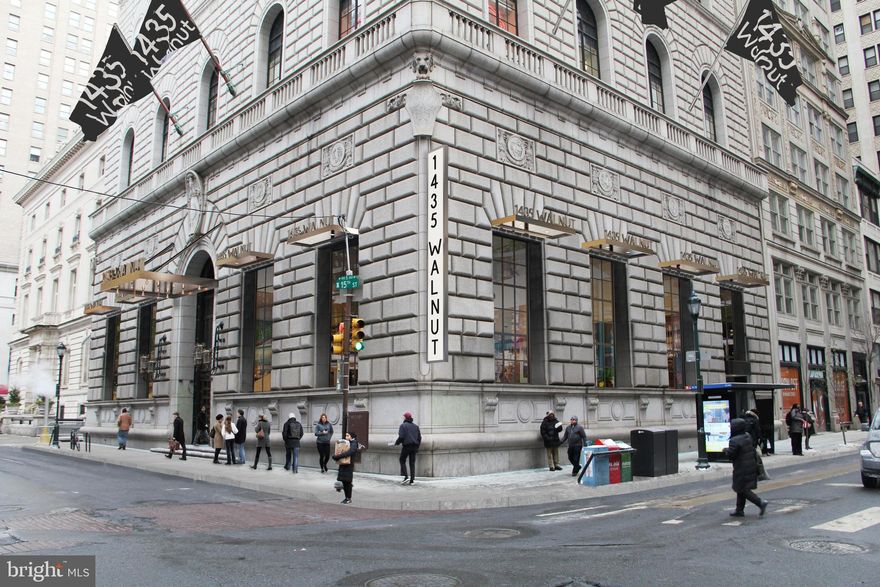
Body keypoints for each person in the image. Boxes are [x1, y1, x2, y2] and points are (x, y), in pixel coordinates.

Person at [723, 418, 768, 517]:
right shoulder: (747, 436)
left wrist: (726, 450)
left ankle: (760, 503)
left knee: (743, 489)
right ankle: (739, 510)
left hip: (741, 468)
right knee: (741, 488)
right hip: (750, 465)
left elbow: (731, 455)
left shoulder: (734, 440)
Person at [332, 432, 362, 504]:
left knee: (347, 482)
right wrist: (336, 456)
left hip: (348, 465)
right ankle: (346, 496)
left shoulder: (354, 443)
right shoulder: (347, 442)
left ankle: (348, 498)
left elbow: (350, 452)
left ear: (352, 437)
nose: (346, 436)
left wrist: (338, 456)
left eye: (348, 435)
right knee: (344, 481)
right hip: (343, 464)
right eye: (346, 435)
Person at [395, 411, 421, 485]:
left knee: (402, 460)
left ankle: (406, 477)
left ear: (405, 418)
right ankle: (412, 480)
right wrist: (417, 447)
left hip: (407, 446)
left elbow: (401, 437)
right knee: (412, 463)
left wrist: (397, 443)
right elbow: (419, 438)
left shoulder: (403, 426)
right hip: (414, 447)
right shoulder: (416, 426)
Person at [742, 409, 768, 481]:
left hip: (745, 442)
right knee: (756, 458)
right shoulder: (755, 420)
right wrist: (761, 440)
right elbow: (758, 431)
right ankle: (759, 474)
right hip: (753, 442)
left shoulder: (743, 419)